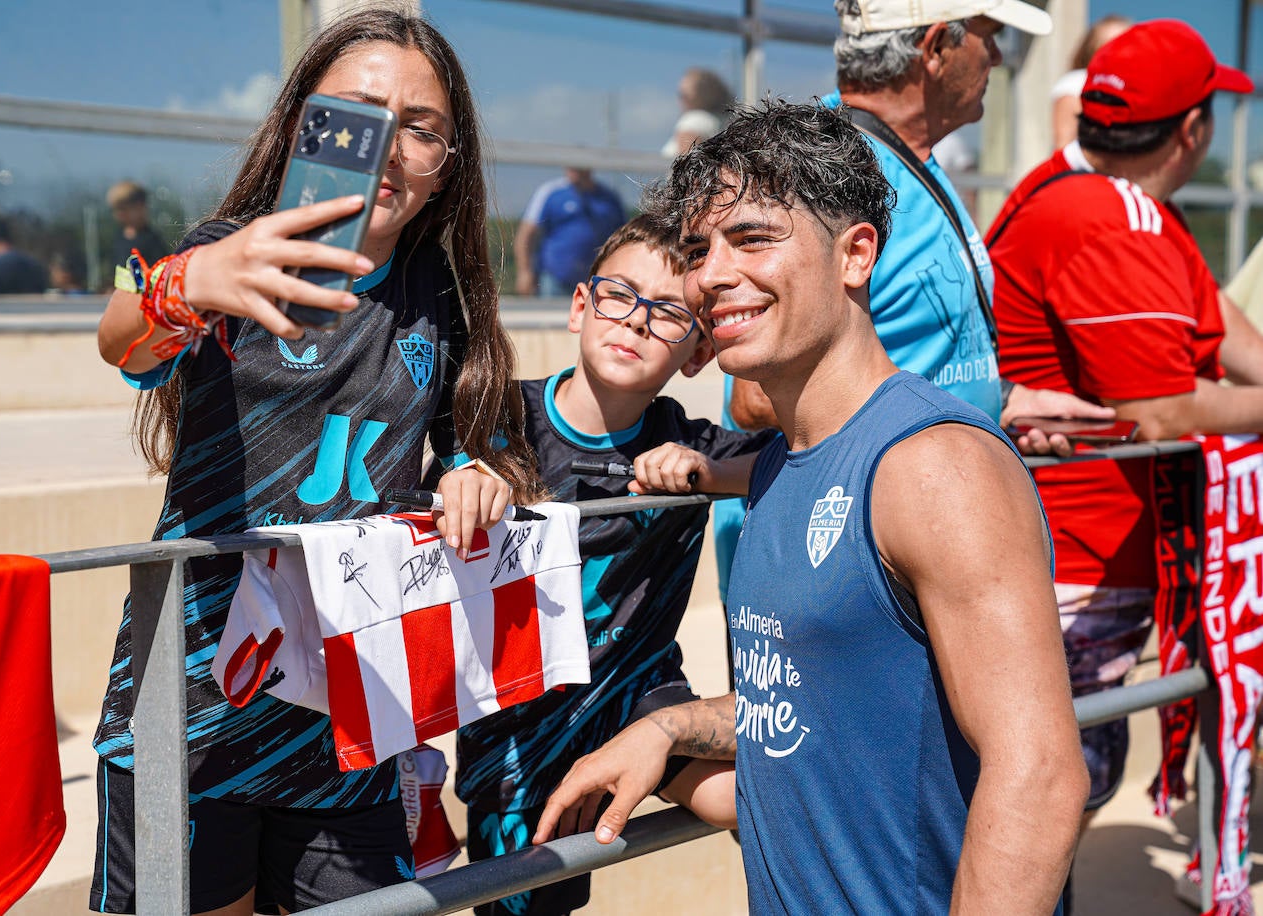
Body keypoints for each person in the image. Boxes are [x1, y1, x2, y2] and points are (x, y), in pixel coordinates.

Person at [534, 98, 1088, 915]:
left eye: (754, 238)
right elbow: (817, 701)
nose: (712, 275)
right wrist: (667, 729)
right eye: (700, 249)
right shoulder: (775, 466)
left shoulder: (933, 465)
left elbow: (1038, 775)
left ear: (855, 255)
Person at [90, 10, 543, 914]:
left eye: (422, 129)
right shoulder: (231, 248)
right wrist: (188, 286)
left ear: (448, 164)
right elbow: (122, 343)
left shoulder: (436, 292)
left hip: (351, 717)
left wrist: (474, 473)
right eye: (357, 117)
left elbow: (467, 438)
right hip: (193, 707)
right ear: (303, 124)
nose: (388, 149)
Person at [454, 215, 773, 916]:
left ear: (697, 352)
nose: (635, 321)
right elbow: (434, 499)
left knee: (745, 797)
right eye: (619, 296)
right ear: (580, 305)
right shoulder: (502, 419)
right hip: (518, 730)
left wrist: (708, 475)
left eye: (669, 314)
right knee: (524, 905)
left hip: (636, 696)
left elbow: (796, 458)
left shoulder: (685, 441)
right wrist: (468, 480)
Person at [986, 18, 1263, 826]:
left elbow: (1227, 333)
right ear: (1192, 130)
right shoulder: (1104, 217)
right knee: (1049, 799)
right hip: (1072, 561)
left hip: (1096, 553)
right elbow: (1160, 410)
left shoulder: (1117, 200)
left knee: (1060, 789)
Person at [725, 0, 1111, 454]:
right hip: (860, 495)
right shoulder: (818, 167)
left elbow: (913, 352)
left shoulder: (905, 153)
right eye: (989, 37)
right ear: (936, 48)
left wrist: (1000, 402)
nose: (996, 57)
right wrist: (938, 430)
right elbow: (755, 400)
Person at [514, 168, 625, 297]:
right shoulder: (551, 192)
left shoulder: (609, 198)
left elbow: (623, 238)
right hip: (555, 280)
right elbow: (526, 235)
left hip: (597, 281)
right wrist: (524, 272)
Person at [1050, 14, 1132, 149]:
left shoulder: (1135, 89)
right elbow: (1063, 144)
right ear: (1092, 48)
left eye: (1126, 42)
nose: (1118, 50)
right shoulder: (1076, 83)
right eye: (1110, 43)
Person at [661, 67, 734, 157]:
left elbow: (687, 161)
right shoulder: (722, 121)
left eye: (684, 95)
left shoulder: (693, 120)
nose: (680, 100)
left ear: (703, 95)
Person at [106, 179, 169, 271]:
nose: (119, 214)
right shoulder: (118, 240)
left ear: (140, 207)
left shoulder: (152, 241)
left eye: (123, 209)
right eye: (116, 210)